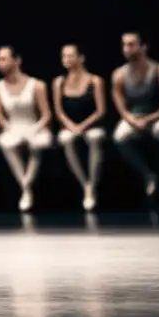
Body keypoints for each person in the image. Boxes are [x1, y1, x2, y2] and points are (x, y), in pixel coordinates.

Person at [0, 47, 53, 212]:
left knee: (37, 144)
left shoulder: (36, 84)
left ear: (16, 60)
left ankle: (26, 184)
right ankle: (26, 188)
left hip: (34, 126)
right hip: (13, 127)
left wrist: (34, 129)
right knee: (6, 143)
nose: (0, 63)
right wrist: (10, 128)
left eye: (4, 59)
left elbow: (46, 114)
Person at [110, 32, 159, 198]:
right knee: (119, 136)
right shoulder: (119, 74)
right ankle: (148, 175)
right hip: (135, 117)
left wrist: (152, 117)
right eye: (124, 45)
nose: (126, 49)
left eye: (131, 44)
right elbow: (120, 105)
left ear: (143, 47)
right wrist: (131, 120)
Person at [53, 44, 106, 211]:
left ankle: (93, 184)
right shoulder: (59, 82)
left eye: (70, 56)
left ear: (81, 58)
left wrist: (82, 126)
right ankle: (86, 185)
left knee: (94, 137)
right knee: (65, 138)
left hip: (91, 124)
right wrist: (71, 126)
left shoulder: (95, 80)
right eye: (64, 56)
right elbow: (59, 111)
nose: (66, 59)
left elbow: (101, 111)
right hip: (70, 126)